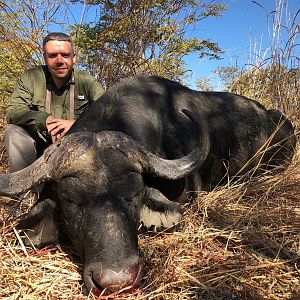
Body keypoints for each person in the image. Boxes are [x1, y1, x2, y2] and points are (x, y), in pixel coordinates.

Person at [4, 32, 104, 174]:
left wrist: (78, 124)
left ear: (73, 58)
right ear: (45, 57)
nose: (59, 60)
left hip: (77, 148)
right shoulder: (30, 77)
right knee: (13, 132)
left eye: (65, 55)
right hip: (39, 146)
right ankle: (25, 193)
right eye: (52, 55)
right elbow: (13, 112)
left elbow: (109, 112)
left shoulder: (87, 82)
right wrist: (44, 120)